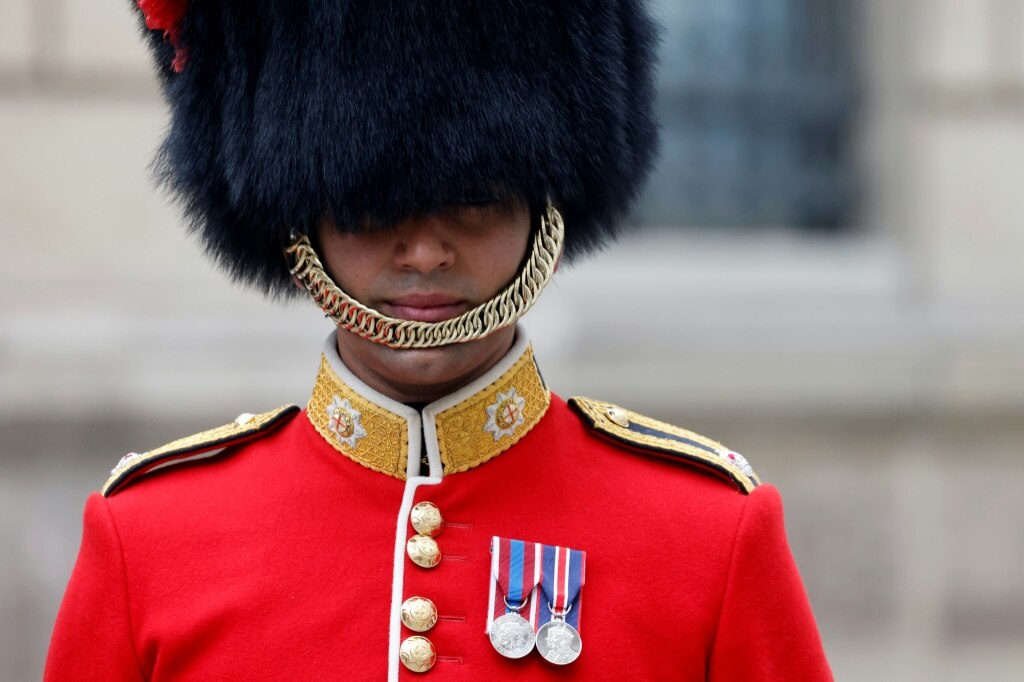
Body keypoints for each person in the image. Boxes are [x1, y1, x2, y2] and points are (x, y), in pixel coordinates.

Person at [45, 1, 832, 680]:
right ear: (302, 215)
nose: (424, 253)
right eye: (368, 206)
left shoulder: (710, 538)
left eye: (474, 201)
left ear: (543, 208)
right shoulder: (147, 543)